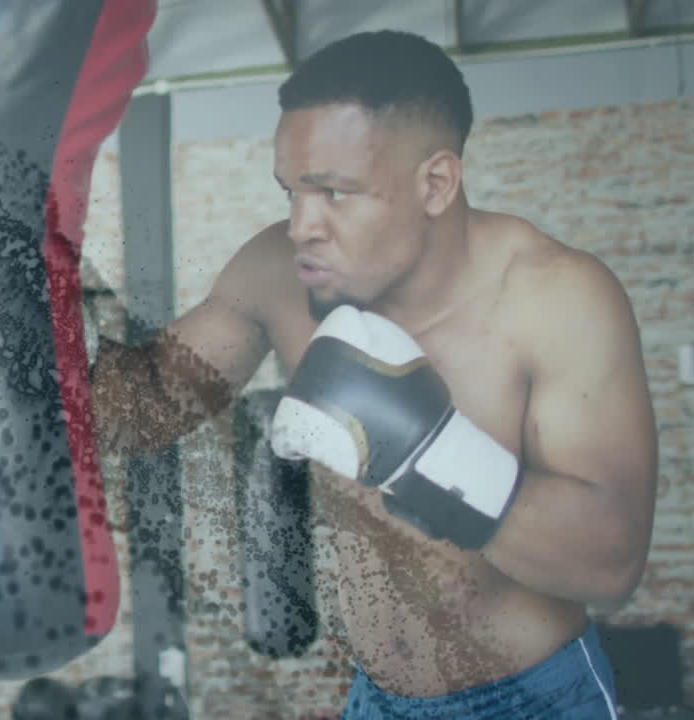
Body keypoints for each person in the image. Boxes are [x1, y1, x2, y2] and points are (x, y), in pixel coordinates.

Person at [91, 30, 657, 718]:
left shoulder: (556, 300)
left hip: (532, 698)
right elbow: (140, 408)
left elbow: (610, 563)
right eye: (292, 191)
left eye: (334, 191)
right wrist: (43, 311)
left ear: (436, 183)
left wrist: (425, 451)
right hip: (374, 698)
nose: (302, 224)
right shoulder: (279, 272)